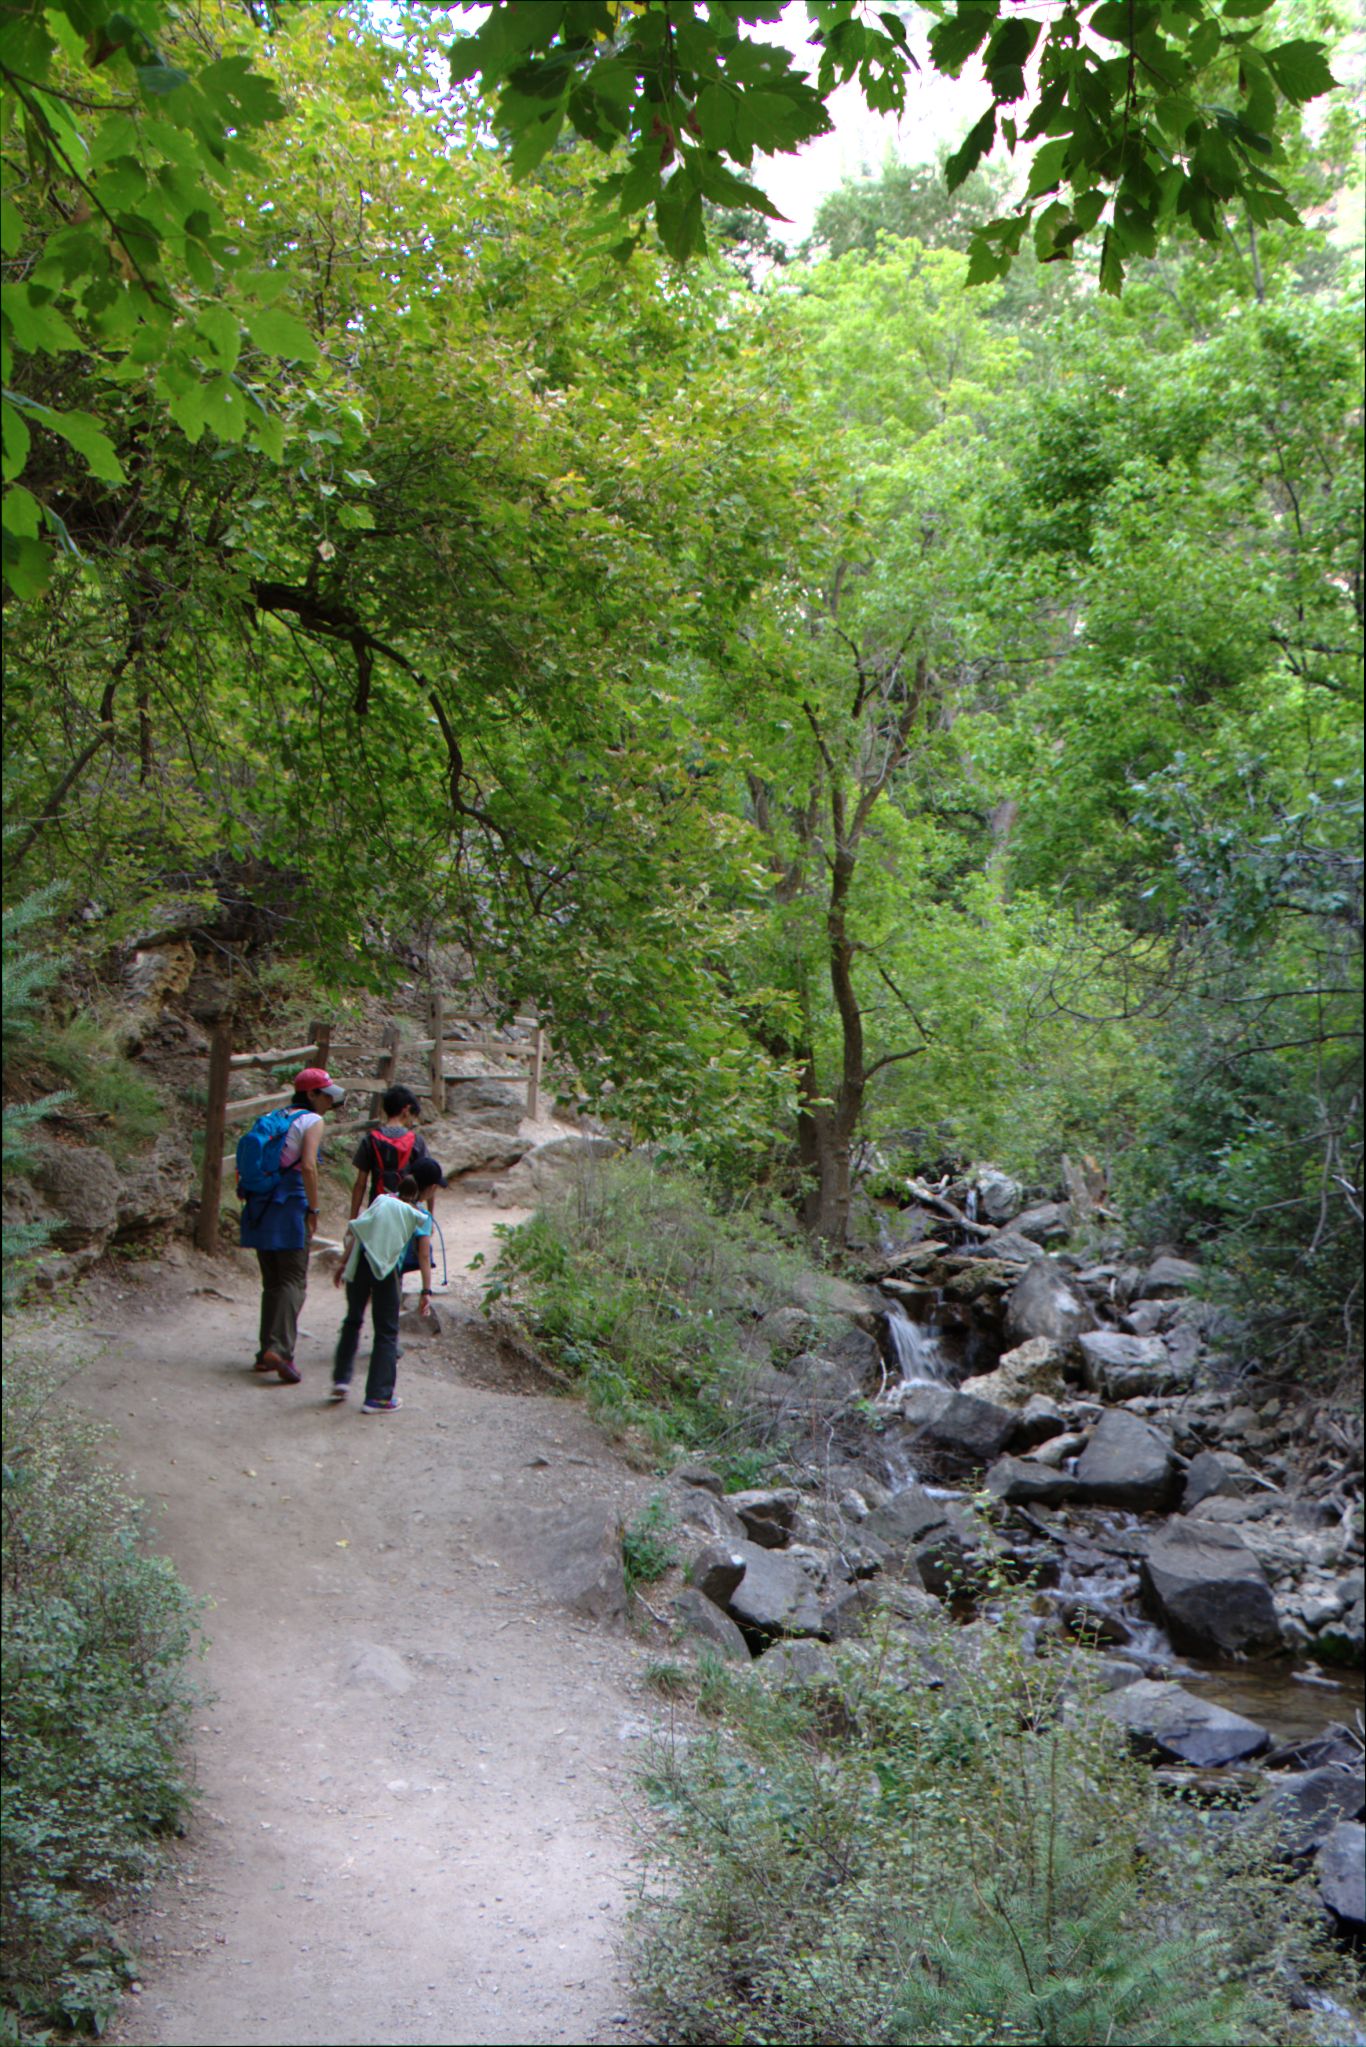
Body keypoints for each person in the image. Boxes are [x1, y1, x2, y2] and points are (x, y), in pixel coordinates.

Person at [241, 1066, 345, 1386]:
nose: (329, 1101)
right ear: (312, 1094)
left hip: (261, 1204)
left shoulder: (277, 1117)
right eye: (325, 1094)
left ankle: (265, 1352)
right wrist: (313, 1208)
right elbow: (309, 1167)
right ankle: (280, 1351)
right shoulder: (312, 1121)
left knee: (272, 1281)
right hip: (289, 1205)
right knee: (292, 1280)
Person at [331, 1171, 433, 1412]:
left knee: (352, 1320)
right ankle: (378, 1396)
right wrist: (425, 1290)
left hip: (361, 1263)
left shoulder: (381, 1200)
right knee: (386, 1331)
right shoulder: (420, 1215)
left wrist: (344, 1263)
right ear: (424, 1191)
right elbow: (424, 1255)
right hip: (386, 1270)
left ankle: (341, 1380)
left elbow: (360, 1231)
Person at [348, 1084, 431, 1219]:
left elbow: (360, 1184)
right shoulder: (416, 1141)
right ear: (407, 1109)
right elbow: (427, 1179)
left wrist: (352, 1219)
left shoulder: (370, 1139)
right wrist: (429, 1216)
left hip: (377, 1208)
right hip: (406, 1211)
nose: (412, 1121)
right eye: (412, 1116)